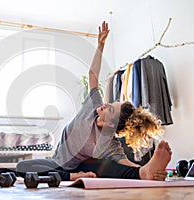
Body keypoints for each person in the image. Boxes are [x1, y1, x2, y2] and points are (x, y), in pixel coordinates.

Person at [16, 21, 172, 181]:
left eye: (110, 109)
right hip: (57, 163)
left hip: (83, 166)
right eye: (111, 104)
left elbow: (124, 162)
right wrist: (100, 45)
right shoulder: (94, 105)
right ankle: (70, 176)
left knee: (106, 166)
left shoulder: (109, 142)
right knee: (22, 167)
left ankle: (144, 173)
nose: (105, 105)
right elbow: (93, 76)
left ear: (111, 124)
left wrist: (144, 168)